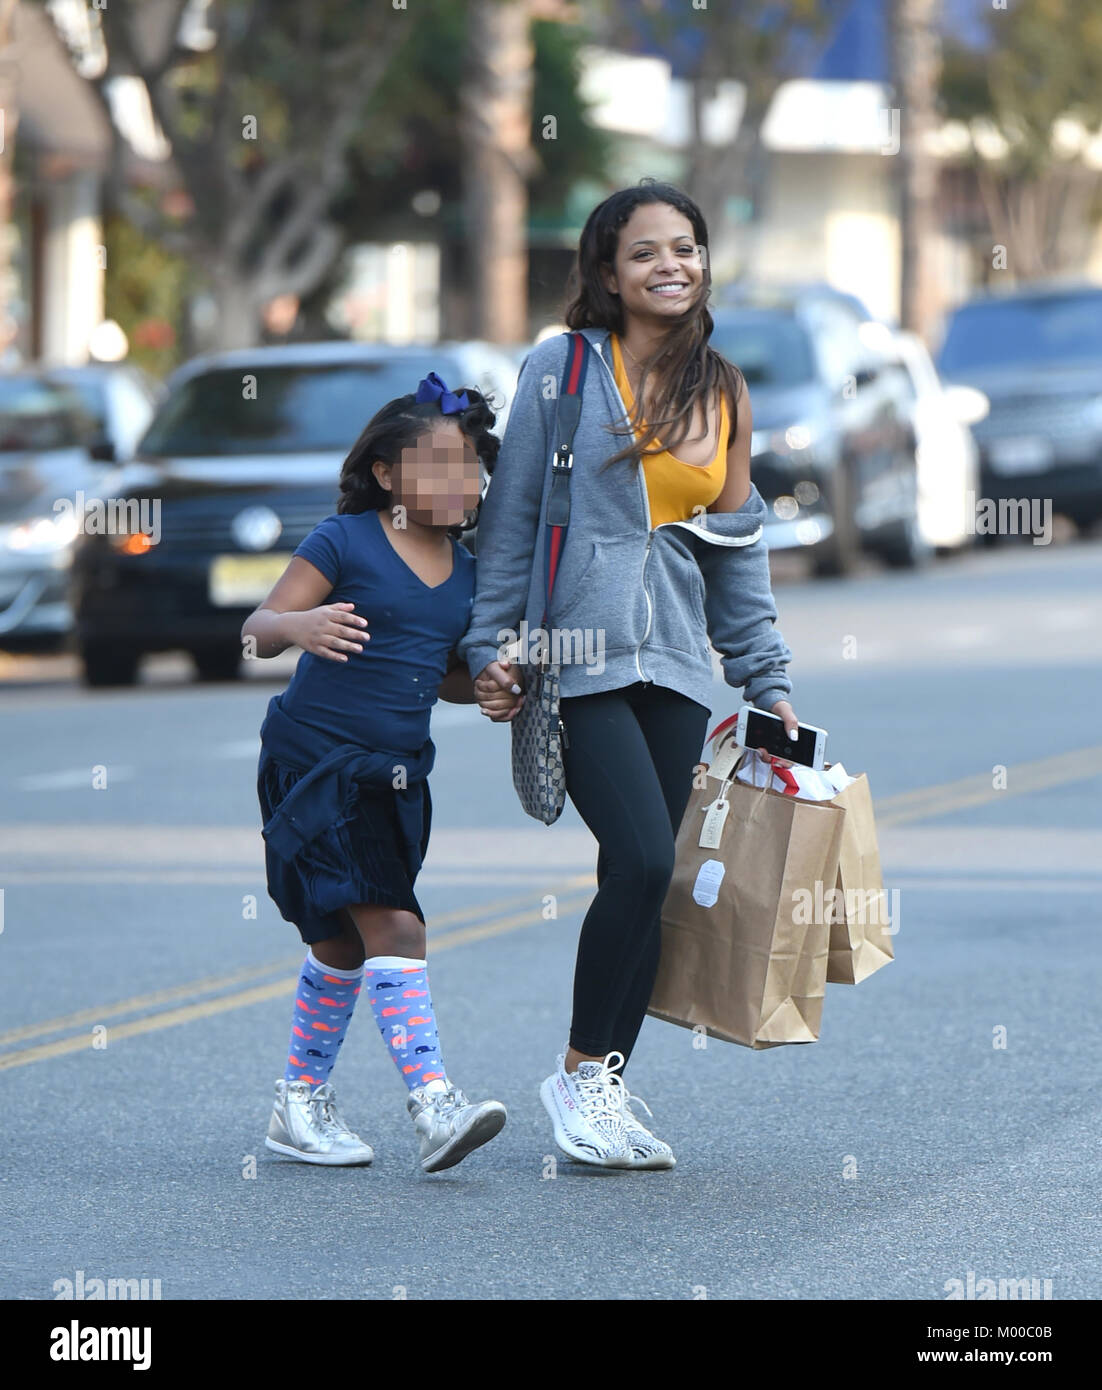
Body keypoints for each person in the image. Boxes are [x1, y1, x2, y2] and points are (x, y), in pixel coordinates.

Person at [458, 180, 800, 1171]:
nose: (670, 265)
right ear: (606, 271)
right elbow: (513, 515)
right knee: (647, 856)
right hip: (577, 656)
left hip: (679, 662)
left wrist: (762, 676)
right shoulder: (562, 368)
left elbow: (737, 547)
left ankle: (599, 1082)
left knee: (651, 878)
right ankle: (575, 1073)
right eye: (646, 251)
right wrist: (493, 646)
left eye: (685, 248)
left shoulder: (721, 389)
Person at [241, 373, 507, 1174]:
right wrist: (301, 624)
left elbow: (444, 674)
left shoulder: (467, 573)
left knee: (341, 945)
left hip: (395, 778)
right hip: (314, 766)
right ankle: (433, 1105)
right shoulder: (344, 539)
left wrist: (489, 686)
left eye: (467, 468)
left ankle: (298, 1102)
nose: (454, 484)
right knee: (396, 924)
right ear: (387, 474)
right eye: (433, 465)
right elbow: (256, 631)